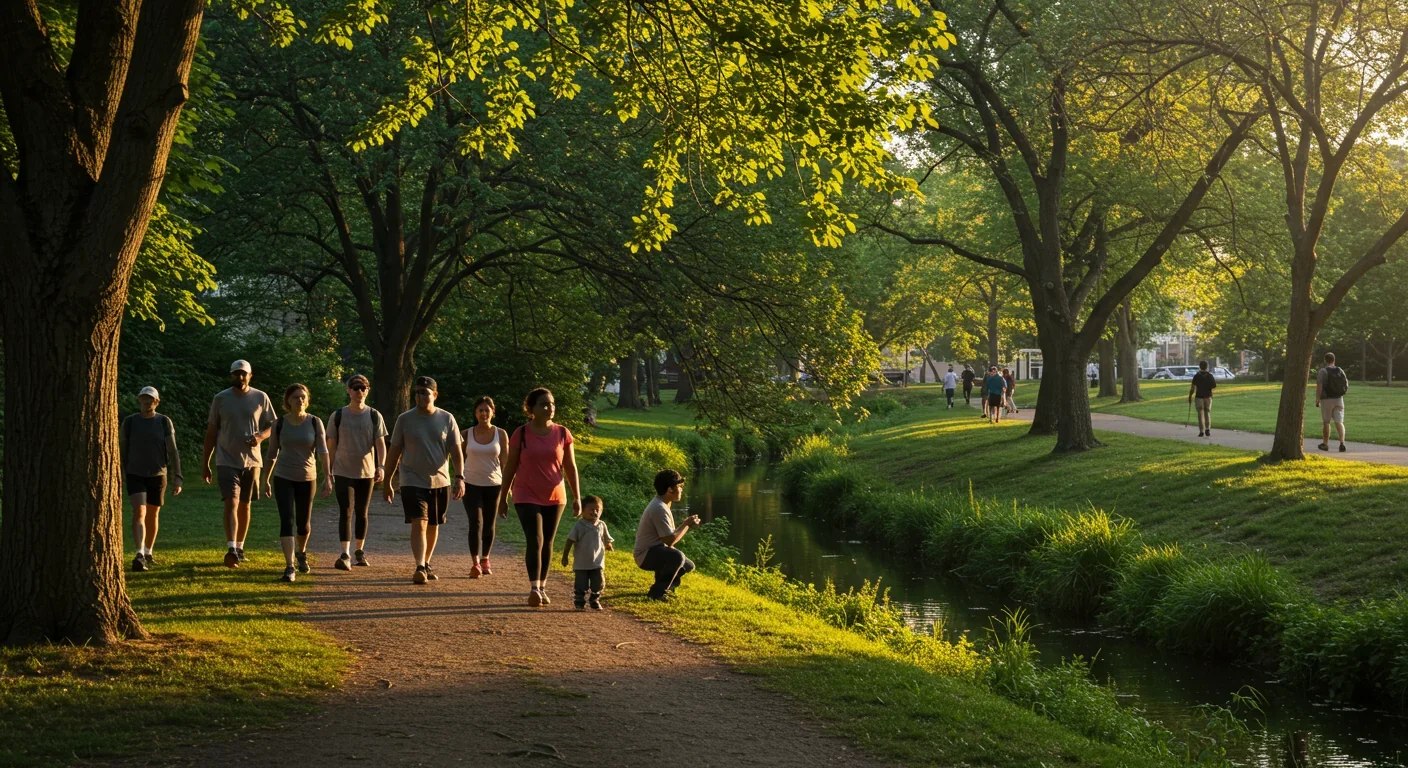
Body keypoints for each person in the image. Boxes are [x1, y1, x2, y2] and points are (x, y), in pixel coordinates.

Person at [498, 388, 582, 607]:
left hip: (555, 495)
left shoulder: (563, 433)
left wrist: (577, 497)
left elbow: (570, 467)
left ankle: (543, 586)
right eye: (544, 404)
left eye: (552, 403)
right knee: (535, 540)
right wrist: (503, 496)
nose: (550, 407)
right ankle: (534, 588)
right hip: (525, 494)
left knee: (548, 542)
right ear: (531, 409)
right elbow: (510, 467)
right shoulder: (521, 433)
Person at [384, 376, 466, 584]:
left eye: (425, 392)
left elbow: (456, 452)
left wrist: (460, 477)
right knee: (418, 522)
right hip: (411, 478)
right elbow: (393, 452)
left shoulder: (447, 419)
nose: (420, 396)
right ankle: (419, 565)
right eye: (417, 392)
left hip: (440, 480)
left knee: (433, 524)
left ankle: (427, 562)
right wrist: (387, 481)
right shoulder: (405, 419)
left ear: (435, 395)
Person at [202, 360, 276, 568]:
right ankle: (231, 547)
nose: (240, 378)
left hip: (252, 461)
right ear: (231, 375)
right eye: (236, 374)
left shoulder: (260, 397)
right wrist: (205, 462)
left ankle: (240, 547)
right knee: (231, 502)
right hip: (226, 458)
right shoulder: (221, 398)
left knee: (245, 504)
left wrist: (260, 437)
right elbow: (211, 432)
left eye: (243, 374)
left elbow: (274, 425)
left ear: (250, 376)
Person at [262, 384, 332, 582]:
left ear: (307, 400)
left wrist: (328, 477)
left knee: (303, 524)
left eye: (303, 397)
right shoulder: (279, 424)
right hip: (283, 477)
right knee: (287, 520)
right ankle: (289, 566)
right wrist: (265, 478)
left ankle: (301, 552)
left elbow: (323, 452)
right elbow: (272, 452)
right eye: (295, 397)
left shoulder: (314, 422)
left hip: (307, 478)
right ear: (288, 402)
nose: (299, 400)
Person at [325, 374, 387, 570]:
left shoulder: (374, 415)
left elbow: (380, 444)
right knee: (346, 511)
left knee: (362, 512)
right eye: (355, 387)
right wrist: (328, 472)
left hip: (366, 472)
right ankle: (344, 553)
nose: (359, 391)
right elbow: (331, 445)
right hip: (343, 470)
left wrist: (381, 466)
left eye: (363, 388)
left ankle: (359, 552)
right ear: (348, 390)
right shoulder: (338, 416)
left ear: (367, 390)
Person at [121, 386, 182, 572]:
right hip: (135, 473)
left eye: (150, 399)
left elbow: (172, 450)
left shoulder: (164, 421)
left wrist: (177, 476)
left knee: (153, 514)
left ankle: (148, 551)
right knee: (139, 511)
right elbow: (122, 449)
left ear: (156, 402)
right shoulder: (130, 422)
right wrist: (121, 471)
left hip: (158, 474)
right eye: (144, 398)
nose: (147, 402)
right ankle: (139, 553)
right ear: (139, 400)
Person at [634, 470, 700, 602]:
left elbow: (668, 538)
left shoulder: (662, 504)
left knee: (688, 565)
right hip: (645, 555)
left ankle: (667, 587)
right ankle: (657, 593)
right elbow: (670, 540)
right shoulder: (659, 508)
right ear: (670, 489)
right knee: (676, 556)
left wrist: (685, 525)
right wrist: (686, 524)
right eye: (679, 487)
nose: (681, 490)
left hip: (656, 550)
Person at [462, 396, 509, 578]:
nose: (483, 413)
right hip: (471, 484)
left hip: (493, 485)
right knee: (475, 522)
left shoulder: (501, 434)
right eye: (480, 410)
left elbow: (505, 462)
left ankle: (485, 558)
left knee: (489, 523)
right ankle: (475, 563)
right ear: (475, 413)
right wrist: (458, 478)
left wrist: (507, 487)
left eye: (486, 410)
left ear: (492, 413)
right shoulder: (466, 433)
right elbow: (458, 457)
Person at [561, 495, 614, 610]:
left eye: (598, 510)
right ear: (583, 510)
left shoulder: (601, 525)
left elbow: (605, 537)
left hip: (597, 561)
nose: (594, 512)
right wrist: (565, 556)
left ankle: (594, 599)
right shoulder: (579, 526)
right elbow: (570, 540)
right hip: (582, 563)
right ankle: (579, 600)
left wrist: (608, 544)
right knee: (581, 584)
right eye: (591, 509)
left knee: (598, 582)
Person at [1315, 352, 1349, 452]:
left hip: (1327, 399)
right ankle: (1342, 443)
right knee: (1339, 421)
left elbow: (1319, 386)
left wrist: (1317, 399)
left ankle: (1325, 444)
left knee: (1326, 422)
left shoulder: (1323, 371)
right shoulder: (1340, 370)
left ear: (1325, 360)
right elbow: (1346, 384)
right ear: (1334, 360)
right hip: (1339, 399)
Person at [1189, 361, 1217, 437]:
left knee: (1200, 414)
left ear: (1200, 366)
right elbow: (1214, 386)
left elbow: (1193, 388)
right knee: (1207, 413)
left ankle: (1201, 431)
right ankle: (1207, 429)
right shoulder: (1210, 376)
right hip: (1208, 396)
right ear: (1207, 367)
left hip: (1199, 397)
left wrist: (1190, 396)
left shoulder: (1196, 376)